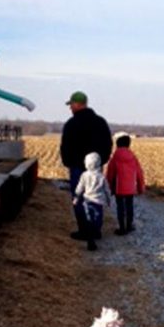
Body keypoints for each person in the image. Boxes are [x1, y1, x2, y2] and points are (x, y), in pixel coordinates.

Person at [60, 91, 112, 239]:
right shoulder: (100, 122)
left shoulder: (71, 124)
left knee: (79, 198)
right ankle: (95, 230)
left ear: (77, 104)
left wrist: (67, 162)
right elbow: (108, 144)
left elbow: (65, 146)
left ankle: (84, 230)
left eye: (71, 105)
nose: (70, 108)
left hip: (77, 168)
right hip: (96, 168)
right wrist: (102, 161)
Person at [106, 133, 146, 235]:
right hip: (130, 188)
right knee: (129, 206)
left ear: (117, 144)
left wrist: (108, 186)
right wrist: (141, 187)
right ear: (128, 145)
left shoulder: (115, 158)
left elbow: (110, 173)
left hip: (118, 187)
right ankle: (129, 225)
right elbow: (139, 173)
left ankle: (122, 227)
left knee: (120, 207)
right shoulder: (133, 157)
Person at [73, 152, 111, 251]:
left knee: (88, 219)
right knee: (98, 218)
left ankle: (90, 237)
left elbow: (79, 188)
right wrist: (108, 200)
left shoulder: (84, 175)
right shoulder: (101, 177)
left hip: (87, 201)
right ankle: (96, 232)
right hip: (98, 202)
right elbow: (107, 190)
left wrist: (76, 198)